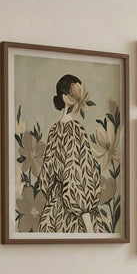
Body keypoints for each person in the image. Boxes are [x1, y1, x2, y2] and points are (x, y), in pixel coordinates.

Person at [38, 74, 104, 233]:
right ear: (65, 97)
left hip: (54, 214)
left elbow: (46, 177)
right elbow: (79, 175)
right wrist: (89, 226)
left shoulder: (54, 129)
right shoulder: (75, 129)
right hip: (76, 218)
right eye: (76, 93)